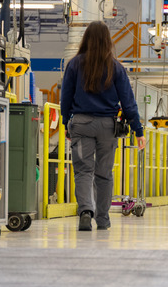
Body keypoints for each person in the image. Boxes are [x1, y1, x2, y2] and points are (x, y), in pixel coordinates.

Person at [61, 21, 146, 231]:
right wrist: (138, 131)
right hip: (108, 127)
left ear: (86, 38)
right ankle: (103, 219)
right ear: (108, 41)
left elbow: (65, 97)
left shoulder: (74, 64)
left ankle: (85, 212)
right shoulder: (116, 67)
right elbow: (128, 102)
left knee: (83, 171)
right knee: (104, 173)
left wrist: (65, 122)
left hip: (81, 123)